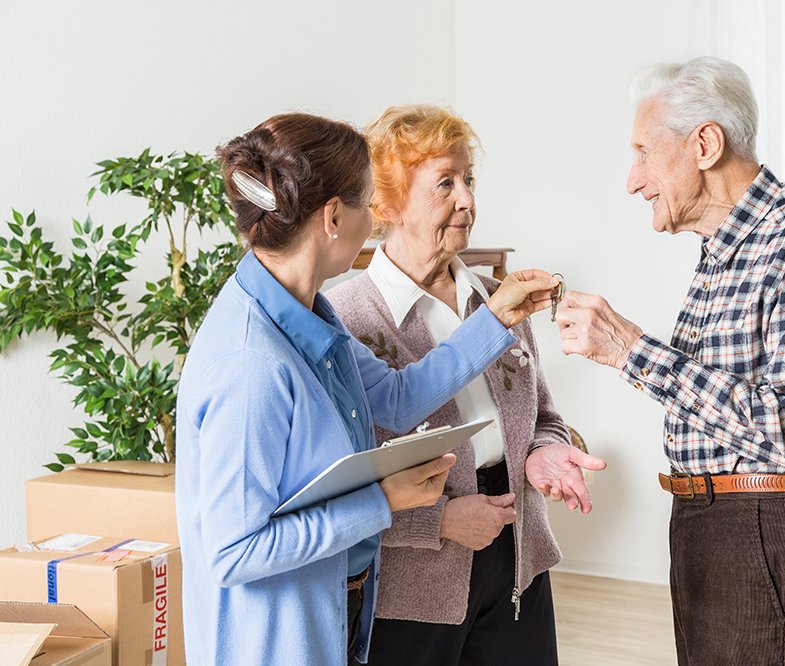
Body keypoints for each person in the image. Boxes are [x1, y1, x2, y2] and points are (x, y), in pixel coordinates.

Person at [174, 112, 559, 665]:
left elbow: (399, 399)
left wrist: (495, 317)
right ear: (335, 217)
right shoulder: (250, 362)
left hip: (335, 615)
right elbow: (234, 551)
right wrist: (384, 500)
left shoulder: (309, 315)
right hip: (276, 643)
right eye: (367, 201)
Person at [554, 57, 785, 665]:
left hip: (762, 520)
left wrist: (630, 349)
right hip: (711, 519)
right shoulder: (724, 250)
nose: (633, 180)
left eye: (643, 153)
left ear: (705, 144)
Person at [326, 104, 605, 666]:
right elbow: (336, 486)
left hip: (518, 557)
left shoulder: (498, 300)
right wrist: (439, 522)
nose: (467, 200)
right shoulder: (345, 317)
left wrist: (544, 453)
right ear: (386, 204)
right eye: (445, 183)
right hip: (411, 584)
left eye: (469, 179)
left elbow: (544, 416)